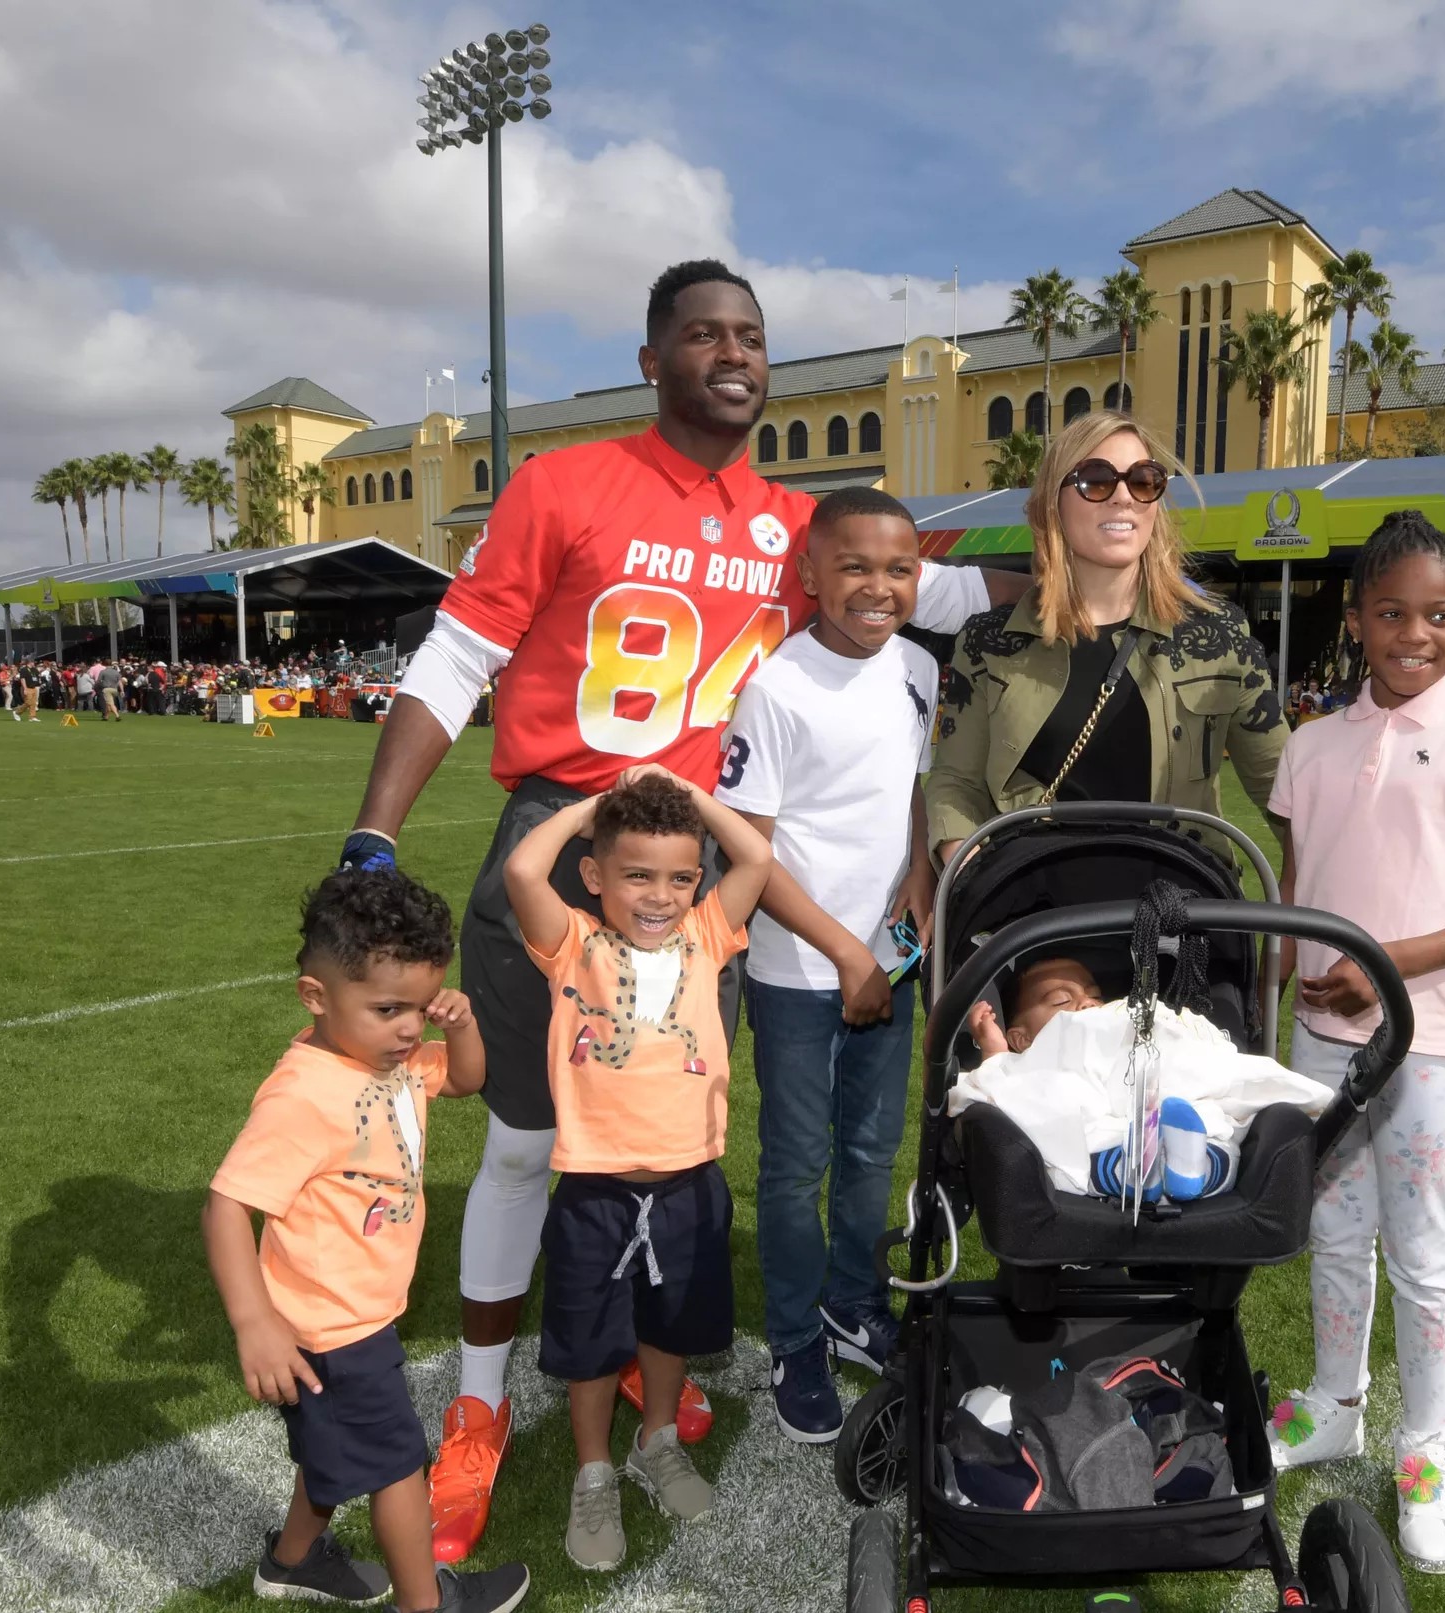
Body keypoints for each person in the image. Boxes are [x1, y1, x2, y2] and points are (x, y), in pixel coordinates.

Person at [340, 259, 1019, 1564]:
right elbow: (460, 649)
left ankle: (650, 1374)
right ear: (652, 360)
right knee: (537, 1141)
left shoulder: (796, 529)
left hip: (696, 875)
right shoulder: (564, 484)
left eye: (752, 335)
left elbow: (953, 592)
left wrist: (1116, 554)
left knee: (673, 1140)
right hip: (562, 844)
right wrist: (378, 826)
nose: (733, 351)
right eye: (703, 333)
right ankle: (481, 1406)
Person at [1258, 512, 1445, 1579]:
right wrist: (1281, 975)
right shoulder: (1310, 742)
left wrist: (1387, 960)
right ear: (1355, 619)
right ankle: (1335, 1403)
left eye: (1435, 614)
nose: (1411, 633)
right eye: (1390, 612)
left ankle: (1423, 1444)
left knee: (1420, 1245)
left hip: (1428, 1041)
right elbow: (1293, 892)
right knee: (1330, 1226)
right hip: (1318, 1038)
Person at [202, 868, 529, 1613]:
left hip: (356, 1311)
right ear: (316, 996)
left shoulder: (394, 1054)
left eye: (420, 1006)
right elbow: (226, 1205)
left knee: (337, 1446)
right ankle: (428, 1605)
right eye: (389, 1008)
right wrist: (255, 1323)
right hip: (330, 1327)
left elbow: (470, 1080)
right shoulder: (304, 1094)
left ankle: (293, 1558)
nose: (411, 1027)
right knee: (397, 1466)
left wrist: (462, 1024)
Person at [501, 768, 772, 1572]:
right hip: (597, 1185)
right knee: (588, 1341)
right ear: (594, 875)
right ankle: (594, 1468)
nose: (661, 895)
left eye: (681, 876)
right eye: (637, 874)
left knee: (672, 1323)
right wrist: (596, 808)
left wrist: (688, 797)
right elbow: (521, 869)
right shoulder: (573, 944)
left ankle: (657, 1440)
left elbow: (754, 855)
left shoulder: (706, 932)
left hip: (690, 1180)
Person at [710, 487, 937, 1443]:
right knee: (797, 1162)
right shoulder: (776, 687)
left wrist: (920, 877)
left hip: (890, 962)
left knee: (871, 1153)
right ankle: (796, 1337)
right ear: (810, 574)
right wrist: (846, 952)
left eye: (898, 569)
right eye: (854, 567)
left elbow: (917, 791)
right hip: (803, 973)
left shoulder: (922, 668)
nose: (877, 587)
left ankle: (853, 1301)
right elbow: (748, 854)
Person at [926, 410, 1287, 868]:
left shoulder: (1220, 635)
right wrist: (976, 871)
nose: (1123, 497)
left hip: (1182, 919)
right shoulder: (989, 643)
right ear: (1051, 504)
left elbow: (1288, 794)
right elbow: (955, 784)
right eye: (1095, 480)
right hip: (1035, 923)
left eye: (1143, 480)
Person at [965, 956, 1107, 1058]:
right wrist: (994, 1053)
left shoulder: (1125, 1037)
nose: (1087, 1002)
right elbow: (998, 1091)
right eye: (1061, 1001)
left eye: (1095, 995)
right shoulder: (1031, 1074)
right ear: (1022, 1040)